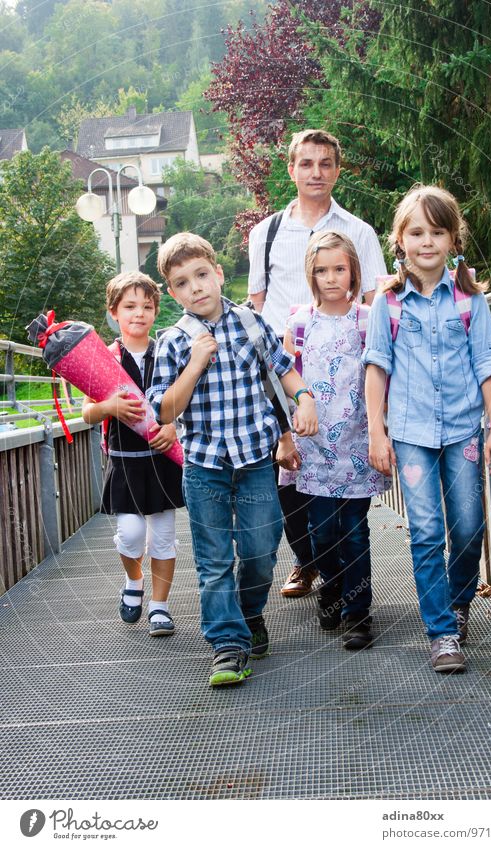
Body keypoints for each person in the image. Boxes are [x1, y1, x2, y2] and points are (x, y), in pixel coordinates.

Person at [147, 232, 318, 687]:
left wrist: (303, 398)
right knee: (214, 559)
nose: (196, 287)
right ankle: (228, 644)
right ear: (173, 292)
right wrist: (195, 364)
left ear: (218, 273)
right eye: (182, 283)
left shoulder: (250, 322)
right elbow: (163, 411)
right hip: (204, 467)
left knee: (262, 551)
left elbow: (282, 368)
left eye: (202, 275)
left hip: (255, 462)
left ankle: (248, 612)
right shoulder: (174, 341)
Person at [363, 184, 491, 673]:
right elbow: (376, 367)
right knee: (426, 530)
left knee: (468, 529)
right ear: (400, 239)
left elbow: (488, 364)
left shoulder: (469, 301)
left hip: (465, 429)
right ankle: (442, 631)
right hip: (410, 433)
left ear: (452, 239)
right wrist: (377, 433)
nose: (427, 242)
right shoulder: (390, 302)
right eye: (417, 232)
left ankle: (459, 598)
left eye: (438, 232)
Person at [248, 128, 387, 599]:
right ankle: (308, 561)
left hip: (343, 376)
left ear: (337, 171)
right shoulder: (264, 233)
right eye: (306, 163)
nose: (316, 172)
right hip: (279, 373)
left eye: (326, 163)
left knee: (338, 495)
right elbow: (256, 304)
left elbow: (376, 306)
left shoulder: (360, 233)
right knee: (286, 475)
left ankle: (335, 579)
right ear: (291, 169)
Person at [277, 231, 389, 648]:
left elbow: (380, 375)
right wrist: (287, 437)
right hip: (315, 450)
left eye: (339, 269)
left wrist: (382, 434)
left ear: (353, 272)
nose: (330, 278)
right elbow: (285, 382)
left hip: (358, 446)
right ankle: (333, 586)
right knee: (321, 531)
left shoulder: (366, 319)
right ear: (311, 275)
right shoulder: (300, 323)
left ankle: (359, 614)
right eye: (322, 270)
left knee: (355, 531)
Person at [82, 271, 183, 637]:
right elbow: (87, 412)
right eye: (129, 306)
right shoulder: (105, 357)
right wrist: (108, 405)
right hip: (124, 463)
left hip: (162, 460)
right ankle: (134, 579)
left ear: (156, 311)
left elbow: (183, 402)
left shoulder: (168, 352)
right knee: (130, 534)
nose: (138, 313)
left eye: (147, 306)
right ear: (113, 312)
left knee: (162, 538)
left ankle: (160, 606)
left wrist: (173, 426)